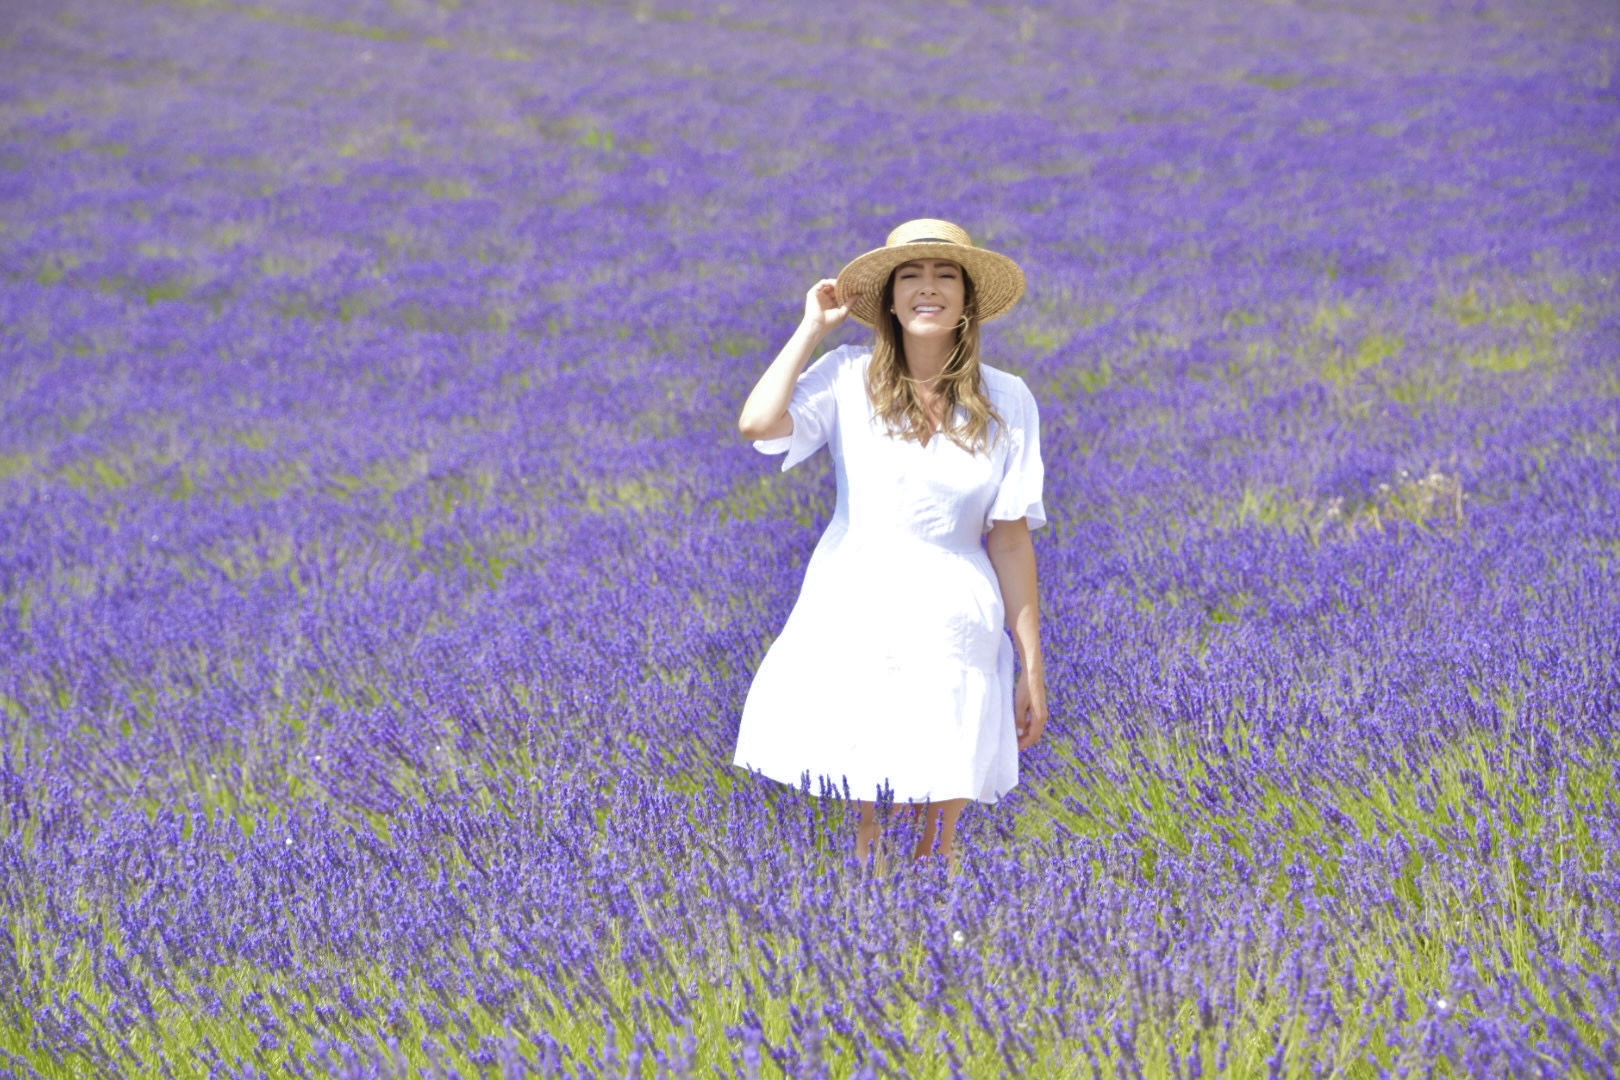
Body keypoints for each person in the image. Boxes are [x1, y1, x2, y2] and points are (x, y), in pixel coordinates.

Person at [733, 218, 1048, 867]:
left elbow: (1011, 542)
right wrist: (811, 329)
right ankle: (876, 939)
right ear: (890, 299)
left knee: (938, 833)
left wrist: (1031, 666)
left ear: (966, 300)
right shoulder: (848, 376)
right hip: (859, 602)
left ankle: (938, 942)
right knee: (869, 820)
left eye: (943, 277)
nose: (927, 289)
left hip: (959, 615)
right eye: (911, 276)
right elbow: (758, 422)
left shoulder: (1009, 398)